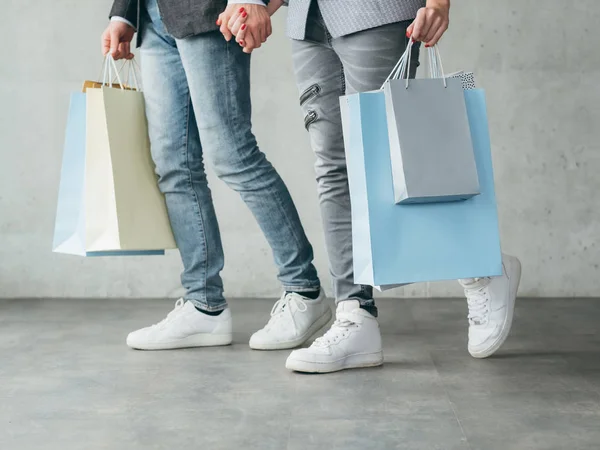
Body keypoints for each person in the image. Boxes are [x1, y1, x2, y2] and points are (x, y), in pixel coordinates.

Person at [220, 0, 522, 373]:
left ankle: (483, 271)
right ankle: (354, 315)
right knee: (332, 168)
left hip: (376, 11)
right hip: (308, 19)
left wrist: (438, 3)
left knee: (390, 162)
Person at [103, 0, 336, 351]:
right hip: (153, 16)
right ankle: (203, 305)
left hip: (212, 11)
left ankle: (304, 289)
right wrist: (124, 11)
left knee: (234, 155)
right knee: (172, 164)